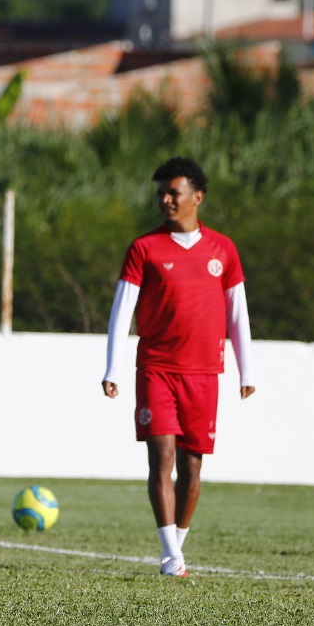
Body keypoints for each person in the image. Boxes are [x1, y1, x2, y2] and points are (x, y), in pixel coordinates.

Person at [102, 156, 255, 578]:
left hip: (204, 372)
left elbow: (237, 311)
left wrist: (248, 370)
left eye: (174, 192)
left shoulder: (223, 249)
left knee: (191, 466)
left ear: (197, 197)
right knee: (162, 457)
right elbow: (122, 310)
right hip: (156, 368)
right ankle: (171, 555)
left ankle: (177, 546)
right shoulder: (144, 248)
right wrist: (112, 368)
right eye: (161, 194)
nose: (165, 200)